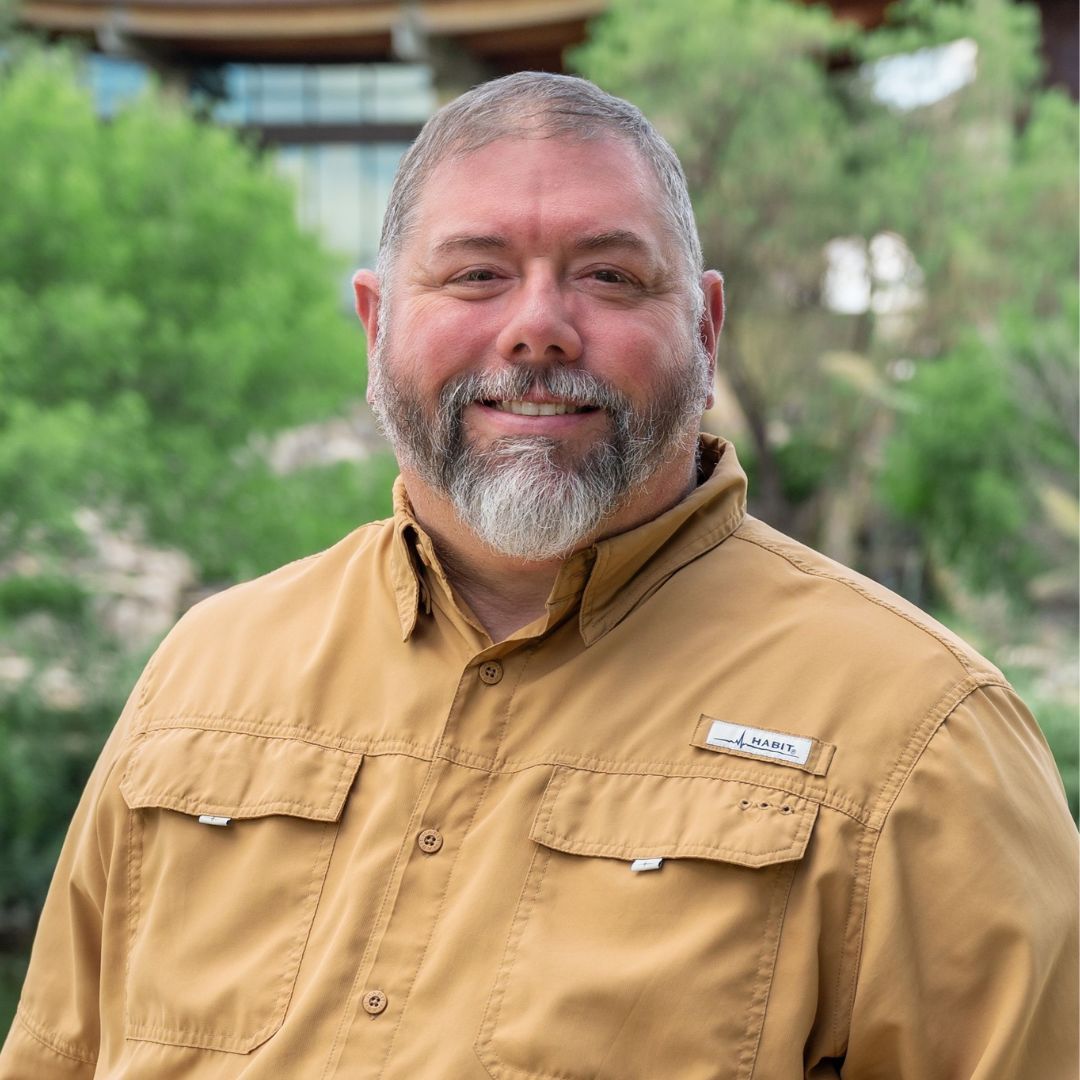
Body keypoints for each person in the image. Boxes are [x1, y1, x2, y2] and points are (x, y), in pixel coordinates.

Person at [1, 72, 1076, 1080]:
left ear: (703, 329)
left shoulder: (924, 739)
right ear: (377, 326)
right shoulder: (207, 674)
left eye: (608, 276)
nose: (537, 329)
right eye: (476, 274)